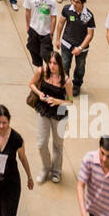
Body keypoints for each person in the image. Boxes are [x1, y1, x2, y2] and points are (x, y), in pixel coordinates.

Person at [29, 50, 73, 184]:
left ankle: (56, 171)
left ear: (60, 64)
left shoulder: (66, 80)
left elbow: (70, 101)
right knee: (42, 143)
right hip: (43, 110)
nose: (52, 66)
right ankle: (45, 168)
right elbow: (31, 84)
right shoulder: (41, 72)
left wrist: (57, 101)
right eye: (50, 63)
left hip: (59, 114)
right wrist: (39, 93)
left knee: (58, 145)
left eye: (55, 63)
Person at [54, 0, 95, 95]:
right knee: (64, 66)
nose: (74, 4)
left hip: (81, 48)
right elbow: (60, 23)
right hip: (66, 43)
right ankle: (64, 85)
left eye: (77, 2)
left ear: (83, 3)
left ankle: (76, 85)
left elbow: (90, 35)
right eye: (73, 0)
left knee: (80, 68)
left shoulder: (88, 15)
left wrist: (80, 48)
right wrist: (57, 39)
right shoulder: (67, 9)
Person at [23, 0, 58, 66]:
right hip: (34, 30)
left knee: (46, 55)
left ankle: (51, 72)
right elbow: (27, 12)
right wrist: (28, 26)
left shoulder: (51, 1)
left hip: (45, 33)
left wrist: (51, 33)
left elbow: (54, 18)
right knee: (34, 51)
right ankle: (40, 73)